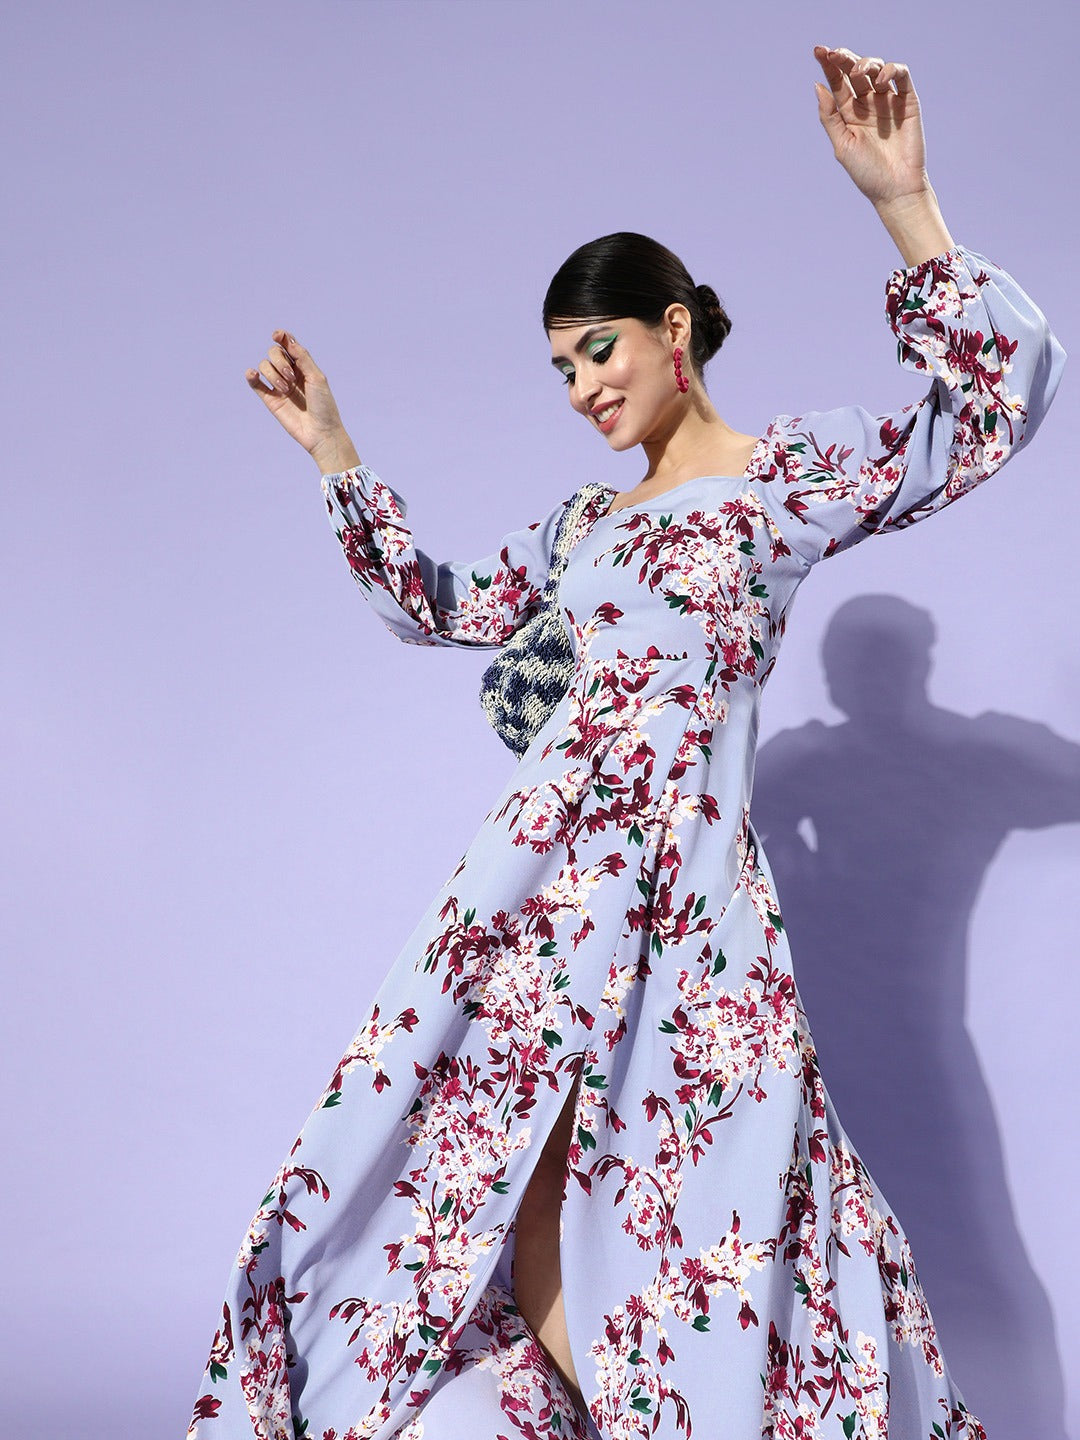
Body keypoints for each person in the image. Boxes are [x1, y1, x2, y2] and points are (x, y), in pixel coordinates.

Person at [192, 42, 1065, 1440]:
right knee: (515, 1178)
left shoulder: (780, 483)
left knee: (720, 1194)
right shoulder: (580, 530)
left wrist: (903, 203)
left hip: (696, 903)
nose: (582, 388)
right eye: (560, 370)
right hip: (540, 890)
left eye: (596, 350)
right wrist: (337, 454)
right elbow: (437, 607)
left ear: (672, 330)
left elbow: (990, 406)